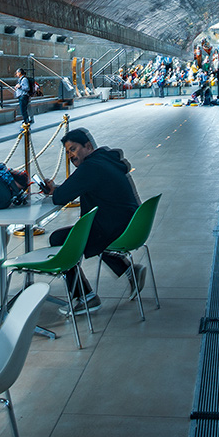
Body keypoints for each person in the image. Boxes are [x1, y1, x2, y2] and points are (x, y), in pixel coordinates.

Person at [40, 127, 143, 313]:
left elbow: (61, 197)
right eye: (68, 152)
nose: (70, 155)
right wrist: (58, 189)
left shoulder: (91, 167)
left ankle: (85, 296)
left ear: (87, 146)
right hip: (132, 224)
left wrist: (55, 190)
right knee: (89, 233)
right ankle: (128, 271)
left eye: (73, 149)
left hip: (115, 227)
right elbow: (71, 188)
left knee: (60, 240)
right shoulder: (104, 160)